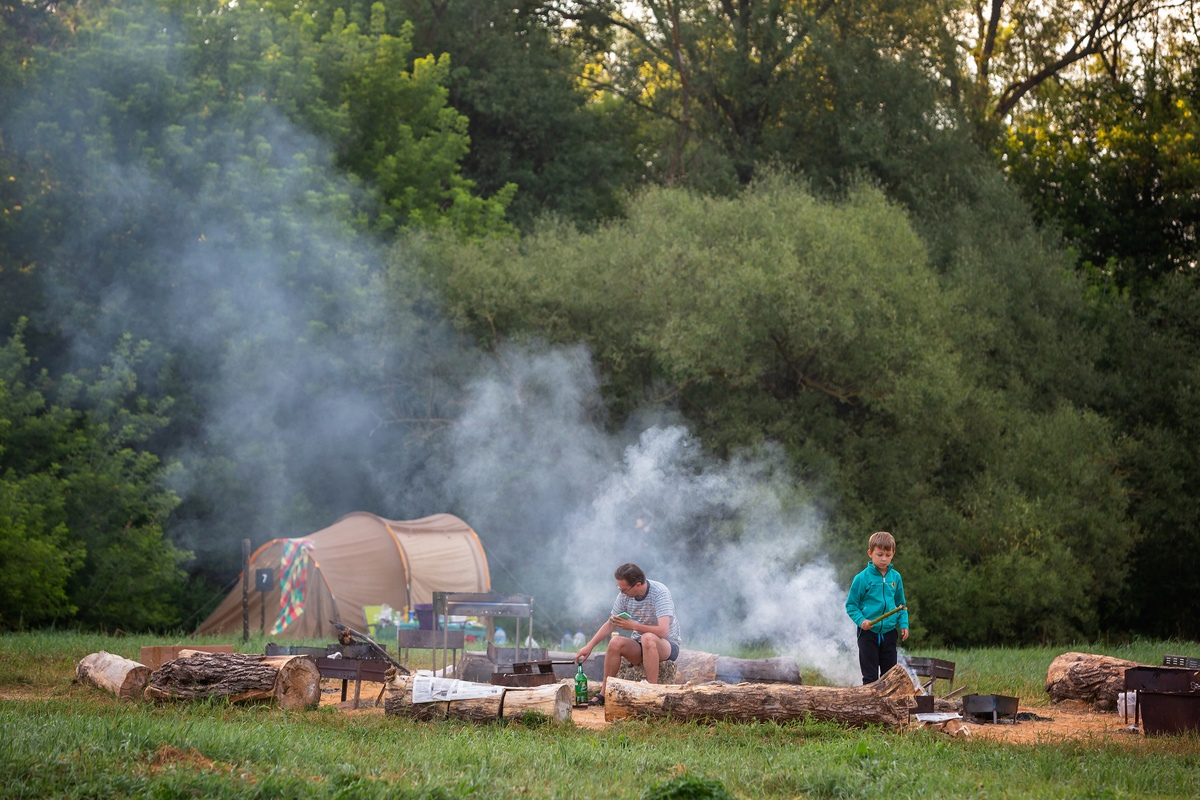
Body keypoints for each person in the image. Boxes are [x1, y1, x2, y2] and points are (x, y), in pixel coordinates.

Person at [575, 563, 682, 705]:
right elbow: (611, 623)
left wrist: (634, 626)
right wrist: (589, 646)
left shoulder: (660, 592)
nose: (622, 592)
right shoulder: (624, 595)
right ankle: (603, 695)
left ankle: (653, 692)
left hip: (666, 645)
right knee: (615, 642)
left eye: (624, 589)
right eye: (619, 588)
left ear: (637, 585)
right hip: (640, 645)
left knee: (648, 637)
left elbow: (663, 631)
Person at [845, 531, 909, 685]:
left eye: (888, 554)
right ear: (870, 553)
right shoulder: (861, 578)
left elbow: (901, 605)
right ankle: (869, 707)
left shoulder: (896, 577)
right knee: (870, 678)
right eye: (879, 554)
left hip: (889, 633)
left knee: (890, 678)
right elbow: (851, 605)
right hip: (868, 634)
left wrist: (904, 624)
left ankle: (888, 707)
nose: (884, 559)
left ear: (893, 553)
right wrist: (861, 621)